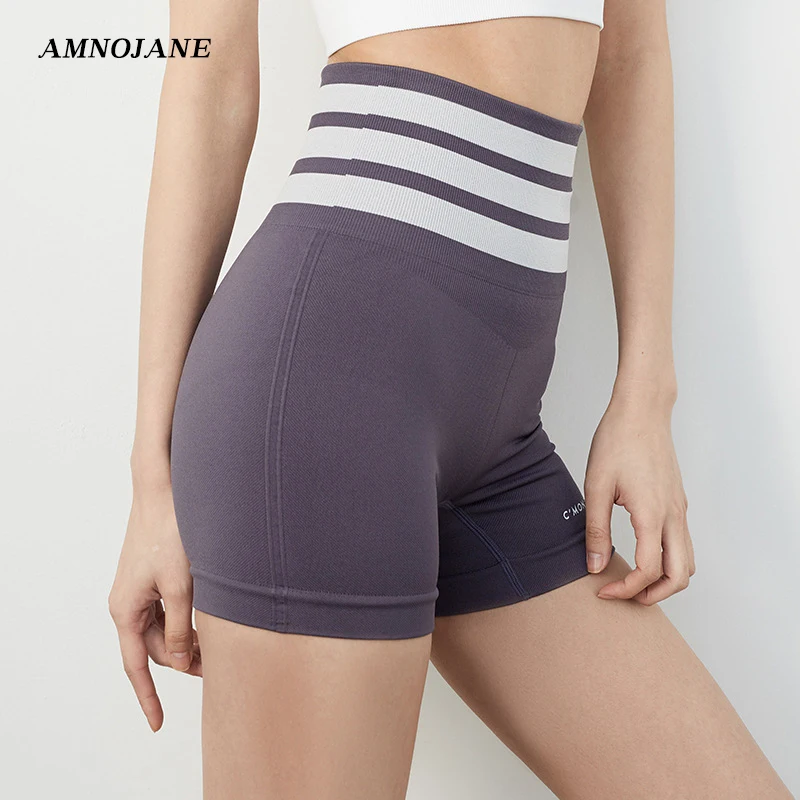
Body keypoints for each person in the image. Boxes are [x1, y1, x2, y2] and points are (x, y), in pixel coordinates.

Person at [108, 1, 793, 798]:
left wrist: (646, 392)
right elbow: (209, 76)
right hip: (325, 386)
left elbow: (631, 53)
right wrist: (152, 480)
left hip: (500, 433)